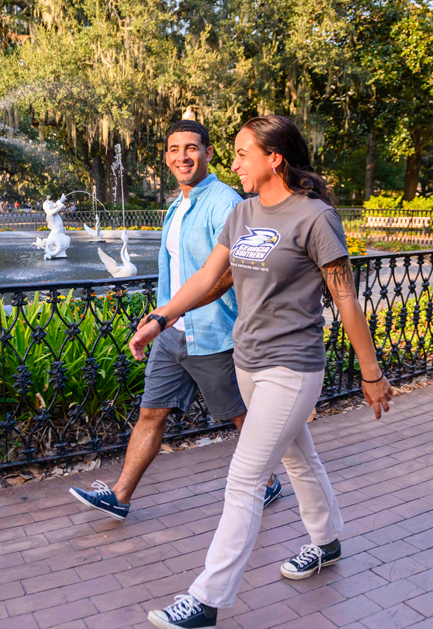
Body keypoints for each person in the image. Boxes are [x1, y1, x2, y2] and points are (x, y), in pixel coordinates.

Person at [133, 115, 392, 629]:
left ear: (275, 158)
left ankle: (205, 600)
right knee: (300, 458)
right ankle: (327, 541)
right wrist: (163, 317)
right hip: (248, 361)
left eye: (242, 154)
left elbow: (344, 296)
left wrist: (371, 372)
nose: (233, 164)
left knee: (245, 479)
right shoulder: (245, 212)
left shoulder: (315, 218)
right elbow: (210, 277)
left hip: (292, 367)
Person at [69, 119, 281, 521]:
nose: (182, 156)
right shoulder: (177, 205)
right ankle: (120, 496)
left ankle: (269, 481)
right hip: (171, 334)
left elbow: (230, 272)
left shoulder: (226, 203)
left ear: (208, 153)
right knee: (152, 411)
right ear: (166, 157)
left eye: (191, 148)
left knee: (240, 416)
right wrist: (161, 318)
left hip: (213, 333)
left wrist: (170, 316)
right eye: (173, 149)